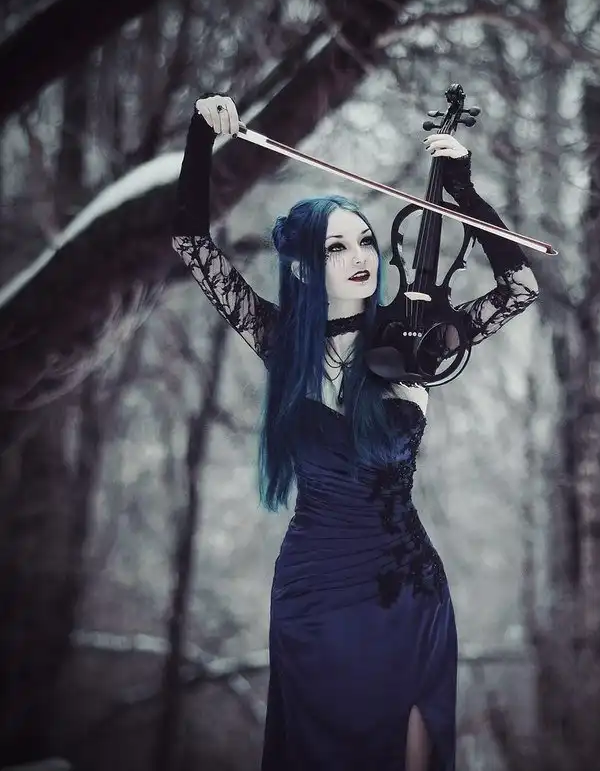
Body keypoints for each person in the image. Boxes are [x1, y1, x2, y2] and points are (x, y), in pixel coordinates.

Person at [171, 93, 540, 771]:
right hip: (313, 592)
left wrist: (461, 191)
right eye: (336, 247)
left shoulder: (414, 338)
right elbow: (192, 244)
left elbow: (519, 288)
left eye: (365, 240)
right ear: (305, 266)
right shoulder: (282, 342)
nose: (359, 255)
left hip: (407, 590)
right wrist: (200, 133)